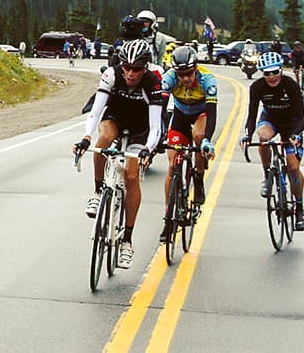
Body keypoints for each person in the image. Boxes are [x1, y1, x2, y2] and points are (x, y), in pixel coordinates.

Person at [72, 39, 164, 270]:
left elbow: (155, 127)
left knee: (132, 178)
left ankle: (127, 241)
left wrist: (147, 149)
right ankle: (97, 190)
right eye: (126, 68)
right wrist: (85, 137)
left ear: (145, 67)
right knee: (103, 140)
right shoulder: (112, 74)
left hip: (140, 129)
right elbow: (96, 111)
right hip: (115, 118)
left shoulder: (153, 82)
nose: (130, 73)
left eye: (136, 69)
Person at [239, 52, 304, 231]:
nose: (271, 77)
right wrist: (248, 135)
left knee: (293, 168)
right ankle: (267, 175)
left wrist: (295, 135)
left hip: (292, 124)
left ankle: (299, 209)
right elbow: (252, 114)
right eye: (266, 73)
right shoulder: (257, 87)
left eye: (274, 72)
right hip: (270, 119)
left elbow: (302, 117)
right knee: (262, 137)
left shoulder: (291, 85)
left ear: (281, 71)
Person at [158, 46, 216, 241]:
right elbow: (160, 108)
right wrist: (159, 135)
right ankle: (168, 219)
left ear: (196, 68)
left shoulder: (207, 79)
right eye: (181, 74)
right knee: (172, 164)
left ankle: (198, 179)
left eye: (189, 74)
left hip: (201, 114)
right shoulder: (169, 78)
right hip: (180, 115)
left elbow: (212, 112)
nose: (185, 79)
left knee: (198, 136)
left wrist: (207, 140)